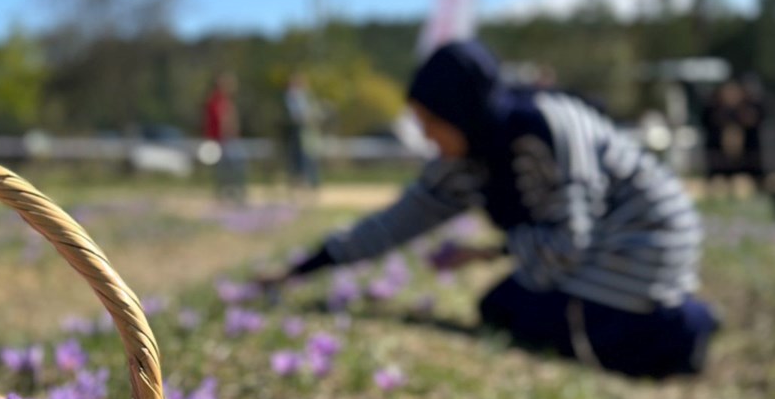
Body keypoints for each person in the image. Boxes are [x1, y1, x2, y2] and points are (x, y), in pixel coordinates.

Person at [257, 40, 719, 379]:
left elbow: (568, 244)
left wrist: (484, 253)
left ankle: (678, 332)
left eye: (432, 123)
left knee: (513, 310)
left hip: (642, 245)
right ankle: (664, 330)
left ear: (462, 110)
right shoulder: (466, 159)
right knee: (503, 306)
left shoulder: (543, 130)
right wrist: (301, 269)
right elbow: (393, 223)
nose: (427, 137)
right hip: (601, 257)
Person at [202, 71, 247, 201]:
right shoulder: (216, 101)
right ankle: (228, 194)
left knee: (233, 168)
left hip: (228, 140)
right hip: (222, 141)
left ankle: (233, 194)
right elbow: (221, 122)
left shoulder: (225, 101)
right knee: (226, 169)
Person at [282, 70, 323, 191]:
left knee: (310, 155)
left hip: (308, 131)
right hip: (299, 130)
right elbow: (298, 116)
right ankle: (302, 181)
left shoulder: (304, 95)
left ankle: (311, 181)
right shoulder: (292, 96)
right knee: (301, 157)